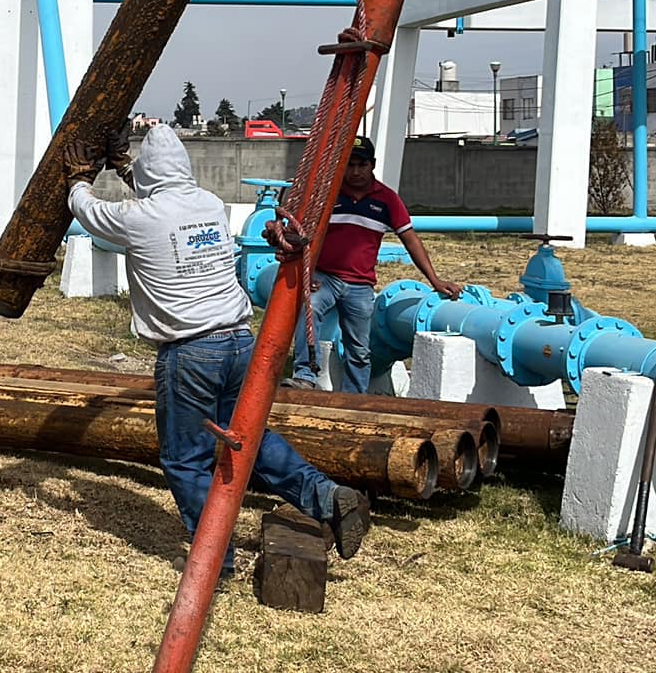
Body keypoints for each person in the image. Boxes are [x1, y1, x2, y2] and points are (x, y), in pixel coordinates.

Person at [64, 123, 369, 570]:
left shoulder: (138, 218)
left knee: (184, 457)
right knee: (246, 439)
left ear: (148, 174)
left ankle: (215, 558)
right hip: (240, 341)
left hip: (190, 351)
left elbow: (90, 211)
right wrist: (124, 167)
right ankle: (325, 495)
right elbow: (164, 195)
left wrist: (77, 179)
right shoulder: (210, 204)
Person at [288, 136, 460, 394]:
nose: (355, 172)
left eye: (361, 165)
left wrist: (434, 280)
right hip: (325, 278)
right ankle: (304, 375)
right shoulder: (328, 196)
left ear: (372, 165)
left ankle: (355, 398)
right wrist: (308, 273)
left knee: (359, 348)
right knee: (310, 309)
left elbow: (410, 240)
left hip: (360, 285)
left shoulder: (386, 200)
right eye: (350, 165)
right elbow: (306, 235)